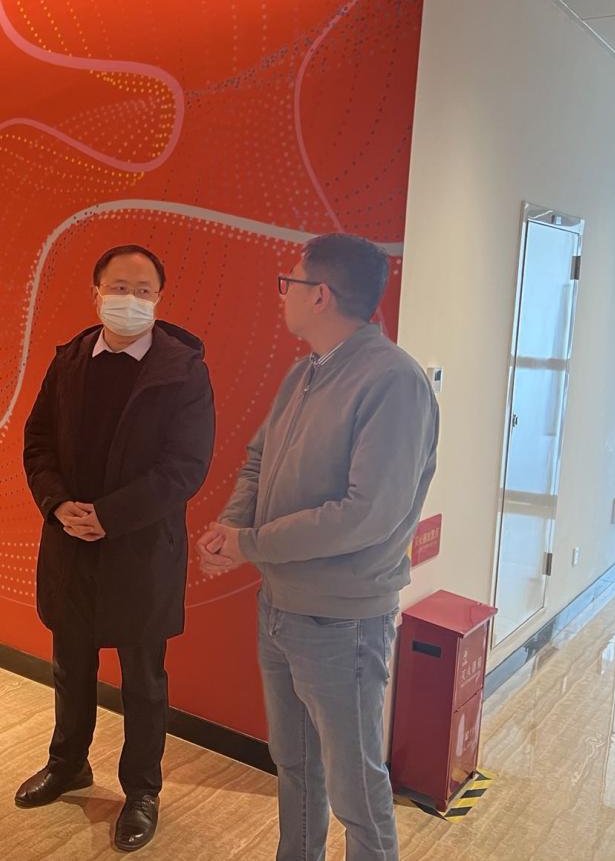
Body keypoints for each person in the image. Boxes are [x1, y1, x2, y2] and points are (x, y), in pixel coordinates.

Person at [197, 232, 439, 861]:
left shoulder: (395, 381)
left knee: (355, 789)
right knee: (296, 766)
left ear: (321, 295)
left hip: (343, 622)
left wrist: (250, 543)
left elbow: (364, 516)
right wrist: (229, 531)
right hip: (281, 606)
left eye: (291, 282)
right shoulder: (305, 372)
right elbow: (258, 461)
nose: (283, 294)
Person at [18, 244, 216, 853]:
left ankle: (142, 791)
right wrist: (57, 504)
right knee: (70, 665)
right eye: (119, 287)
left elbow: (185, 467)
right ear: (96, 293)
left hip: (140, 549)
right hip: (70, 541)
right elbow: (38, 441)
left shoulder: (182, 370)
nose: (130, 299)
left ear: (159, 298)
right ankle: (68, 763)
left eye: (144, 290)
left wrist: (110, 516)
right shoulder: (70, 359)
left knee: (143, 680)